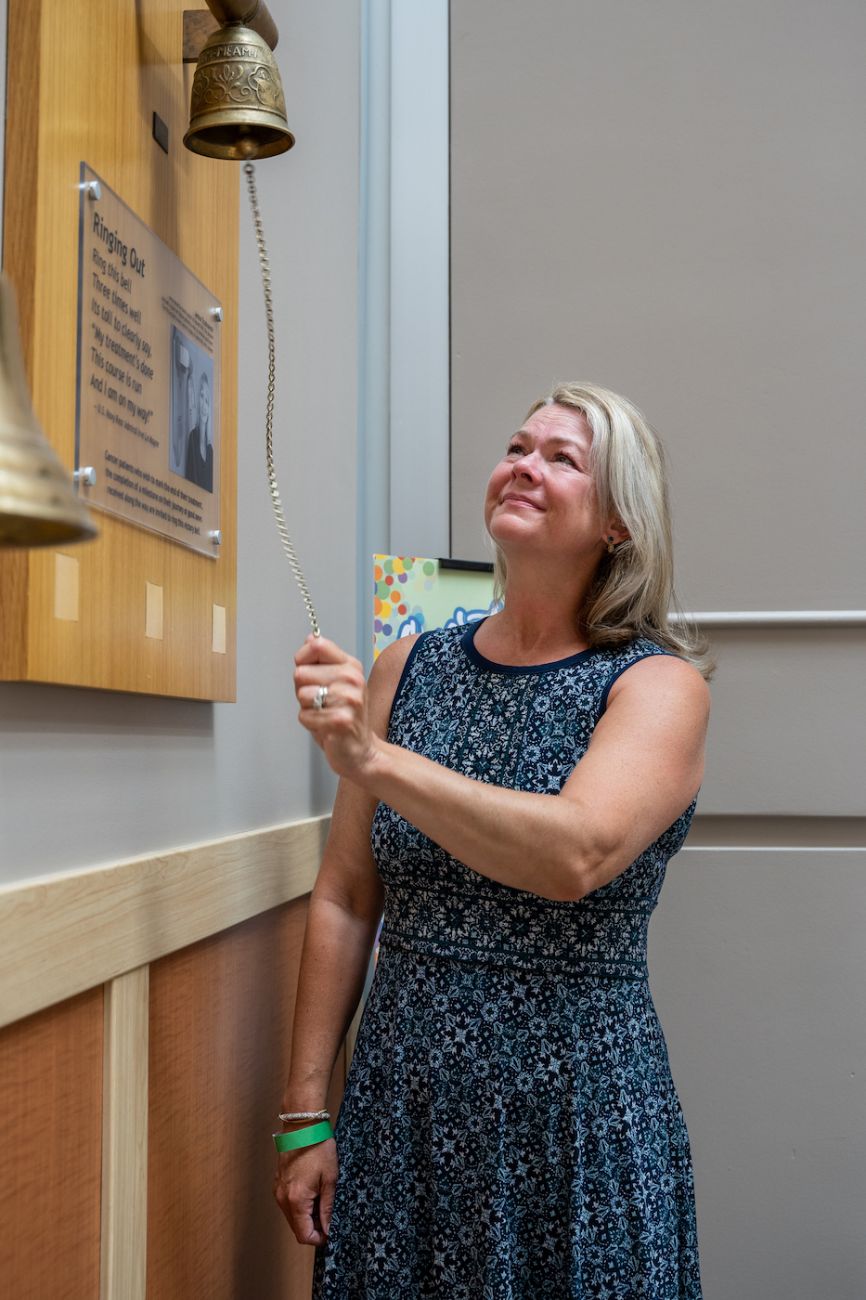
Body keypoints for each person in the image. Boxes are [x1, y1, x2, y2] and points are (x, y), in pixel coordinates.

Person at [275, 381, 712, 1298]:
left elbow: (573, 856)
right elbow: (348, 895)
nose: (525, 465)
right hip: (403, 1109)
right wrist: (306, 1115)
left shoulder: (657, 687)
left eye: (562, 458)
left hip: (574, 1119)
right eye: (518, 446)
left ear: (620, 524)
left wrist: (371, 760)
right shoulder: (410, 667)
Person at [184, 371, 213, 493]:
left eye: (207, 400)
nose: (204, 406)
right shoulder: (192, 438)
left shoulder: (211, 452)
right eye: (201, 396)